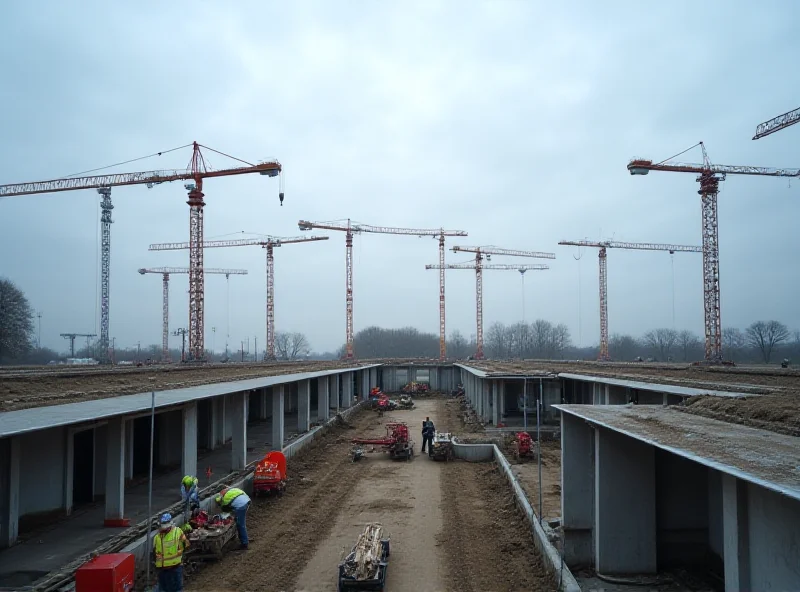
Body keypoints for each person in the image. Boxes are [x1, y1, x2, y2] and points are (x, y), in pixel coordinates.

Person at [153, 512, 189, 592]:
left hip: (174, 568)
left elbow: (185, 544)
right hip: (162, 569)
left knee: (176, 589)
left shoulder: (177, 532)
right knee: (163, 589)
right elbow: (155, 553)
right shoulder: (157, 537)